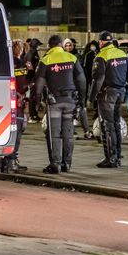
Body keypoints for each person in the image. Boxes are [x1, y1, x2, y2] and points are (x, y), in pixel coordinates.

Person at [33, 35, 86, 173]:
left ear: (50, 46)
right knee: (68, 134)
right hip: (70, 101)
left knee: (54, 134)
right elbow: (82, 81)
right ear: (61, 45)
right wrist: (82, 100)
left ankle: (55, 164)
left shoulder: (46, 60)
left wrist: (37, 102)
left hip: (54, 102)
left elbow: (38, 85)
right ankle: (67, 164)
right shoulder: (72, 58)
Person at [89, 30, 128, 168]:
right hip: (120, 92)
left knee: (108, 127)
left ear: (101, 42)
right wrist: (127, 90)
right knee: (116, 124)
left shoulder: (101, 56)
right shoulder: (122, 54)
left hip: (107, 94)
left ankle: (111, 158)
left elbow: (98, 79)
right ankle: (118, 155)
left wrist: (91, 97)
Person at [2, 40, 29, 173]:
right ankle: (10, 162)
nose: (20, 50)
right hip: (16, 101)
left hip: (20, 100)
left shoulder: (22, 62)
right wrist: (18, 95)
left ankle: (9, 161)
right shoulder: (14, 63)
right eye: (18, 47)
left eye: (22, 48)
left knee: (18, 129)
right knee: (16, 131)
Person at [25, 38, 43, 123]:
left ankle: (35, 114)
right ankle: (32, 116)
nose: (39, 46)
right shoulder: (30, 54)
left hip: (35, 78)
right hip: (32, 79)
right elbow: (29, 67)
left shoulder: (34, 53)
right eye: (38, 45)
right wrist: (31, 80)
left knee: (35, 97)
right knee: (32, 98)